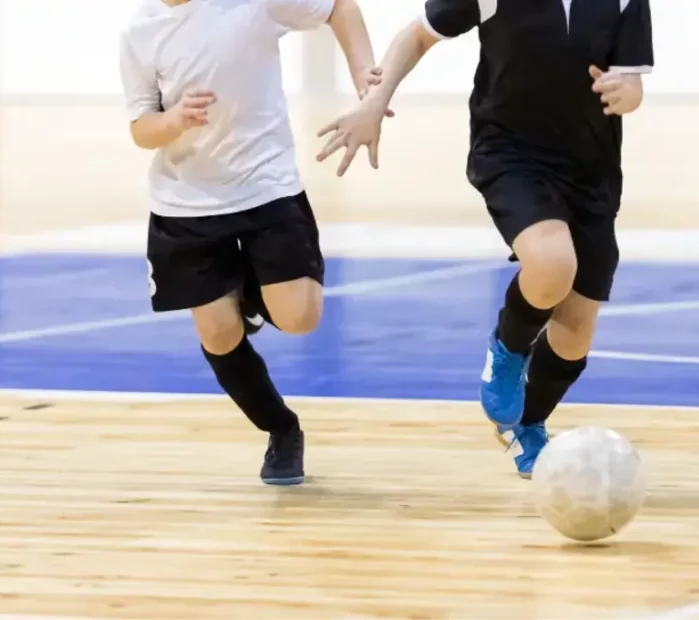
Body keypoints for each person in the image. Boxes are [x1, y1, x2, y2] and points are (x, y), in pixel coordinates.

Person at [316, 0, 654, 478]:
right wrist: (374, 101)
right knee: (552, 263)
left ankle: (527, 422)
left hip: (592, 171)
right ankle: (508, 348)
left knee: (576, 332)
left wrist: (628, 92)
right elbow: (416, 35)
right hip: (511, 154)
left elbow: (633, 82)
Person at [118, 0, 382, 485]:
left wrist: (366, 73)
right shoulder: (140, 31)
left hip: (266, 188)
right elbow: (141, 129)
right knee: (218, 333)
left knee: (300, 318)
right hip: (186, 204)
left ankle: (251, 294)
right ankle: (281, 430)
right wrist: (172, 120)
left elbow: (340, 7)